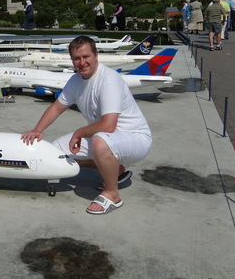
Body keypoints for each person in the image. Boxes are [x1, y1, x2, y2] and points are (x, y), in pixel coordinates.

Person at [21, 36, 152, 215]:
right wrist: (37, 130)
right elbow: (57, 107)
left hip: (135, 138)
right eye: (76, 58)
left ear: (96, 55)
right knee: (55, 153)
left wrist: (79, 133)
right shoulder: (75, 81)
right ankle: (117, 170)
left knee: (99, 141)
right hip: (107, 138)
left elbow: (108, 126)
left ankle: (112, 194)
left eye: (86, 56)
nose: (82, 62)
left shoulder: (108, 80)